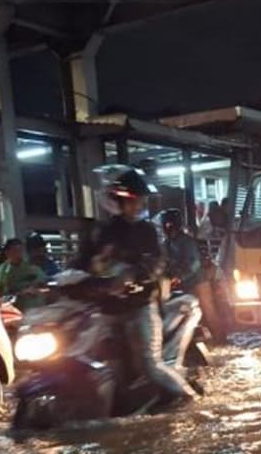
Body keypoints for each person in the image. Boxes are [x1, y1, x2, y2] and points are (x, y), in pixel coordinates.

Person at [82, 167, 198, 401]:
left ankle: (190, 400)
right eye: (133, 201)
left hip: (140, 304)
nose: (138, 206)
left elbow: (157, 261)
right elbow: (82, 260)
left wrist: (136, 275)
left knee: (150, 364)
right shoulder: (101, 231)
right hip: (106, 308)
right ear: (117, 201)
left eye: (140, 201)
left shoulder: (147, 230)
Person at [162, 208, 225, 342]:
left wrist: (179, 277)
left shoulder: (187, 242)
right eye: (166, 224)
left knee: (208, 310)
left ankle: (220, 338)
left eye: (169, 224)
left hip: (198, 281)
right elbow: (163, 261)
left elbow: (194, 264)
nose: (168, 227)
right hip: (181, 284)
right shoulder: (166, 243)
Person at [0, 237, 46, 308]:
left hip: (35, 305)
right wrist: (20, 292)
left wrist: (35, 287)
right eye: (15, 251)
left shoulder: (31, 266)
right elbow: (0, 291)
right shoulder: (2, 271)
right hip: (14, 307)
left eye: (20, 251)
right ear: (7, 253)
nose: (18, 254)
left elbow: (43, 282)